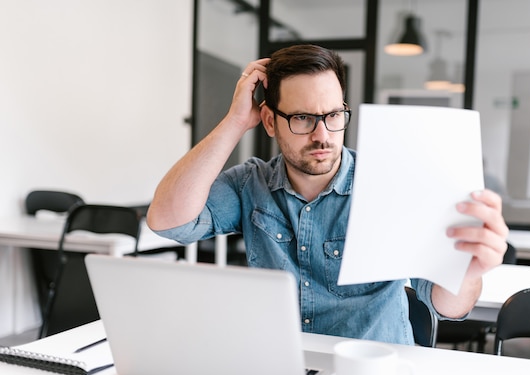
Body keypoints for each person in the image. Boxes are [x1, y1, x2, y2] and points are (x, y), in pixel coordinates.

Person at [146, 44, 509, 345]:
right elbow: (168, 222)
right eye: (303, 118)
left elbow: (446, 304)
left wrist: (467, 271)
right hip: (283, 370)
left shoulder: (391, 183)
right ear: (270, 121)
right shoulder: (250, 184)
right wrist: (235, 121)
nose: (323, 135)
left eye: (334, 115)